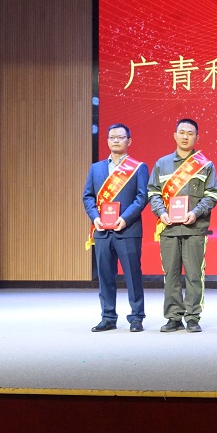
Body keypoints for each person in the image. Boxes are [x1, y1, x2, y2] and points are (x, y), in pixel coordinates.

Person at [147, 118, 217, 333]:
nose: (185, 136)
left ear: (197, 137)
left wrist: (195, 212)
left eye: (190, 133)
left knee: (194, 274)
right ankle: (173, 317)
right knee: (170, 275)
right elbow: (153, 193)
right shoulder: (162, 164)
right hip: (169, 229)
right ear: (175, 135)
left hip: (194, 228)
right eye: (182, 132)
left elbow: (212, 195)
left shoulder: (205, 165)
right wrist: (162, 213)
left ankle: (193, 317)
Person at [82, 123, 148, 332]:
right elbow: (88, 196)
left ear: (129, 140)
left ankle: (136, 317)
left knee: (132, 275)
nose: (116, 140)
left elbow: (142, 197)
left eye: (120, 137)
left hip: (128, 230)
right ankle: (108, 317)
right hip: (102, 231)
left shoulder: (138, 167)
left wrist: (125, 219)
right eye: (112, 137)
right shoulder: (96, 168)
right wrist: (95, 217)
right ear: (107, 141)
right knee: (105, 276)